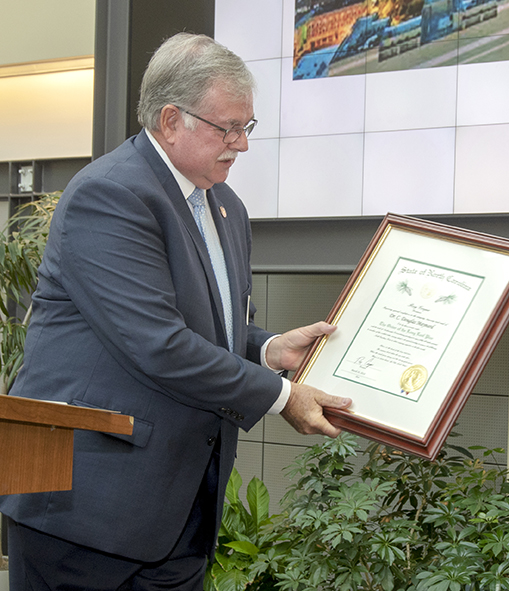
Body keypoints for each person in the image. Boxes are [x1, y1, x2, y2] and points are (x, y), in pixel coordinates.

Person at [0, 32, 351, 590]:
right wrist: (283, 395)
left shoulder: (225, 206)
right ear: (171, 120)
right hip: (82, 506)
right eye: (227, 127)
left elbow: (198, 324)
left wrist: (265, 347)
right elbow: (156, 343)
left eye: (247, 126)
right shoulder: (111, 194)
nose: (240, 143)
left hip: (179, 505)